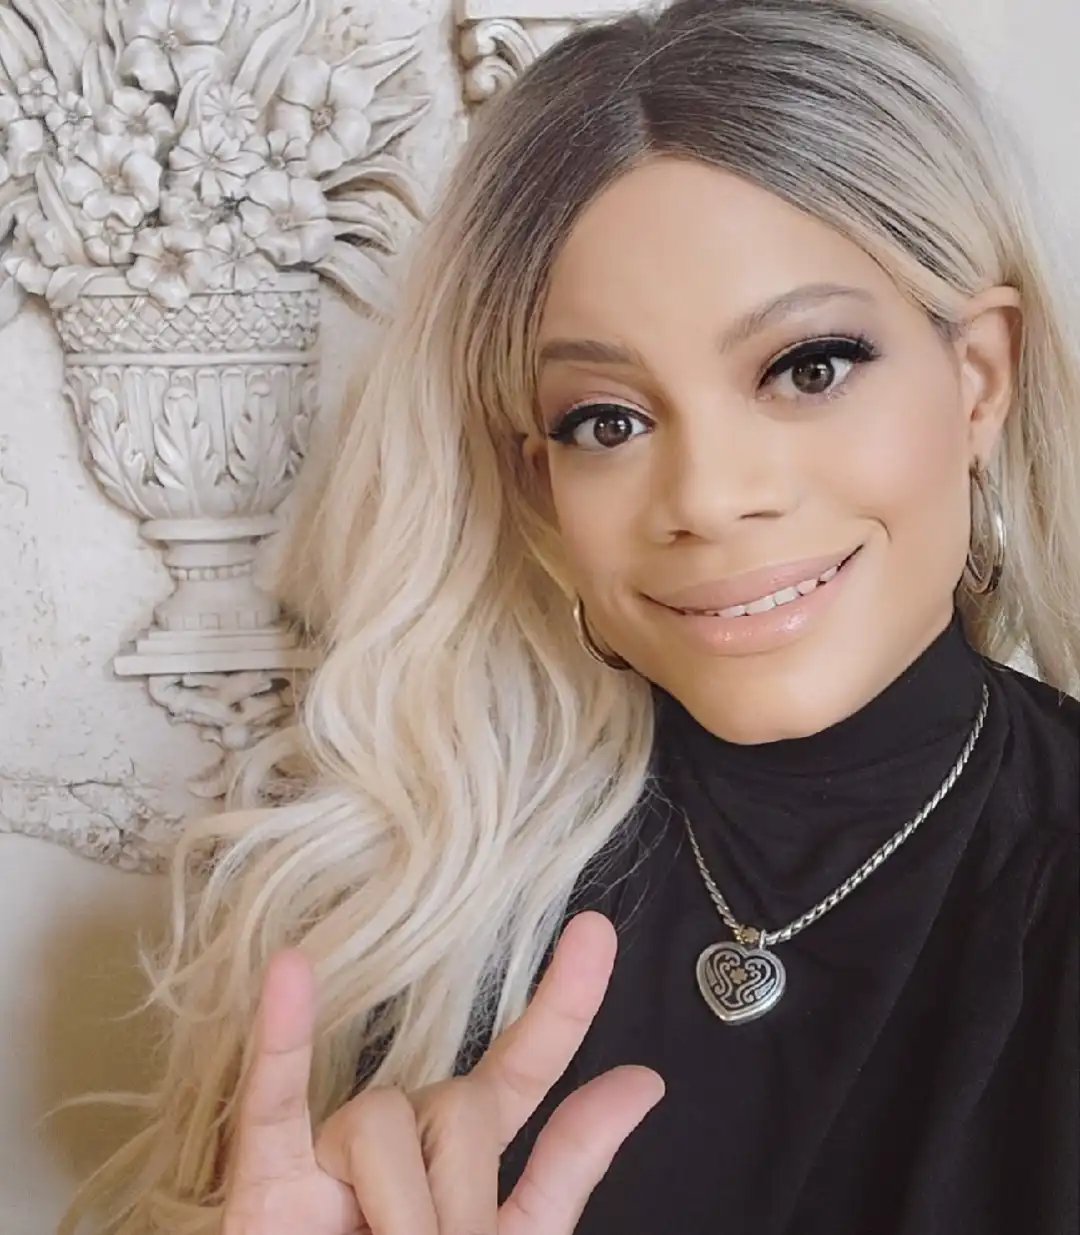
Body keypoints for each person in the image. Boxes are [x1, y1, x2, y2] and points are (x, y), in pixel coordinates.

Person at [61, 0, 1080, 1232]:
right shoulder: (406, 921)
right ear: (540, 481)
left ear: (979, 377)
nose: (706, 498)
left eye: (807, 367)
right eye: (608, 420)